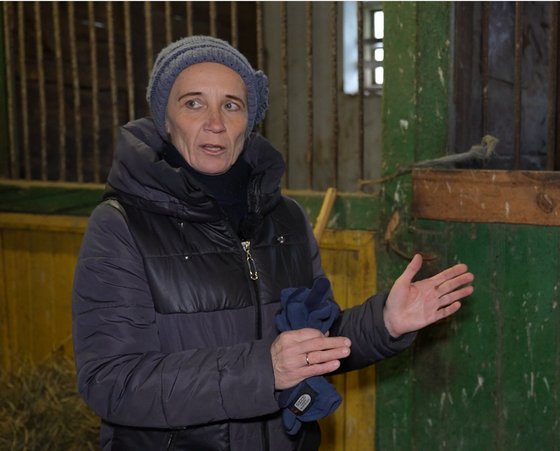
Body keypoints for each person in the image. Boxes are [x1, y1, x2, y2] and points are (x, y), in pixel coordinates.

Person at [71, 35, 474, 451]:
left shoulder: (285, 219)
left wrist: (383, 322)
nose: (215, 122)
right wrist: (264, 371)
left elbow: (310, 342)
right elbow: (111, 381)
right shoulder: (122, 225)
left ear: (248, 121)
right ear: (165, 120)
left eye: (232, 105)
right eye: (193, 103)